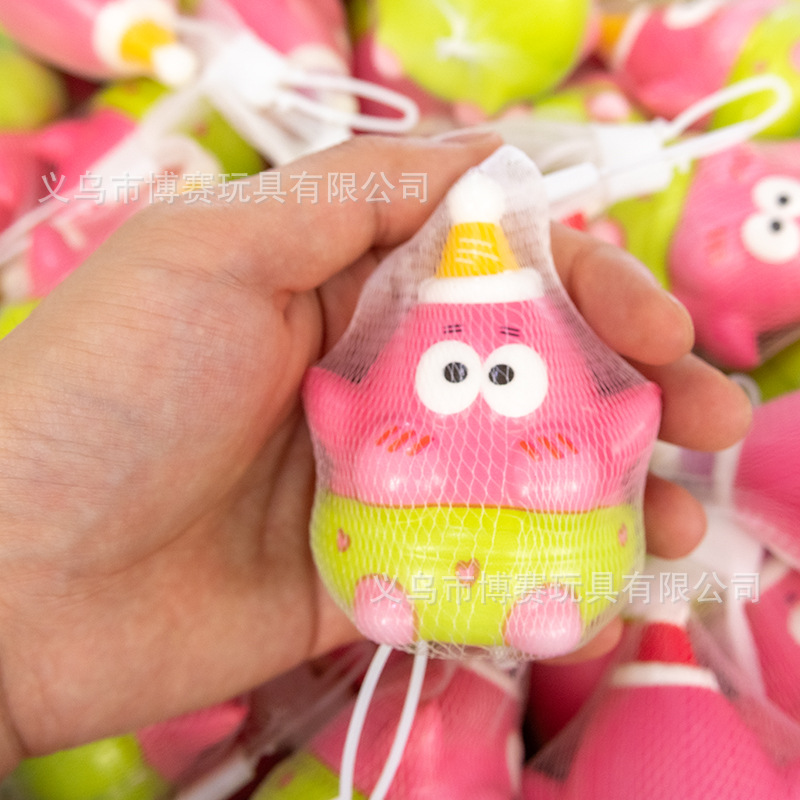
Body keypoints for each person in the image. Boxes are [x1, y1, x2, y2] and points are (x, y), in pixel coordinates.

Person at [0, 133, 751, 776]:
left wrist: (563, 465)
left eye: (501, 371)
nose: (478, 383)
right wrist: (392, 455)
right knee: (394, 482)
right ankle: (397, 598)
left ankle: (535, 608)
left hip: (550, 563)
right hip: (387, 557)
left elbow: (624, 423)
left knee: (563, 507)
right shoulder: (397, 377)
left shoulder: (559, 383)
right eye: (454, 368)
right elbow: (339, 411)